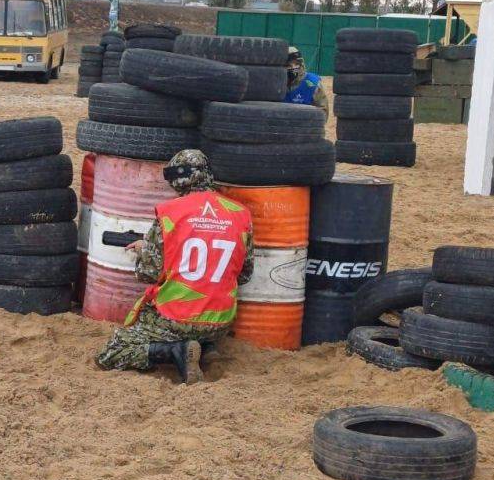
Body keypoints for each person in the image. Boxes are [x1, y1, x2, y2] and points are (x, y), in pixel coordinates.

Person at [95, 150, 255, 384]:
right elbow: (244, 274)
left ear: (176, 180)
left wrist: (145, 251)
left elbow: (148, 273)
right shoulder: (240, 214)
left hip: (176, 318)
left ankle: (175, 351)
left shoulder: (171, 212)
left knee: (110, 353)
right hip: (220, 321)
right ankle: (207, 348)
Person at [284, 46, 330, 116]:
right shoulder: (274, 83)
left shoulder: (312, 83)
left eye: (296, 64)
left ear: (301, 64)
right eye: (289, 65)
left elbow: (322, 112)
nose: (293, 68)